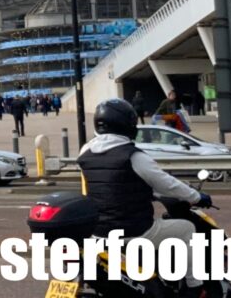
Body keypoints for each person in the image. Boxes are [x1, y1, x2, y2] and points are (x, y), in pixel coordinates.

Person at [78, 99, 211, 297]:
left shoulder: (85, 152)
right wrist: (196, 196)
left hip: (99, 233)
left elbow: (110, 184)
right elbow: (167, 184)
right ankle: (195, 286)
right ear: (127, 125)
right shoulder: (133, 156)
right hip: (134, 230)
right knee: (187, 229)